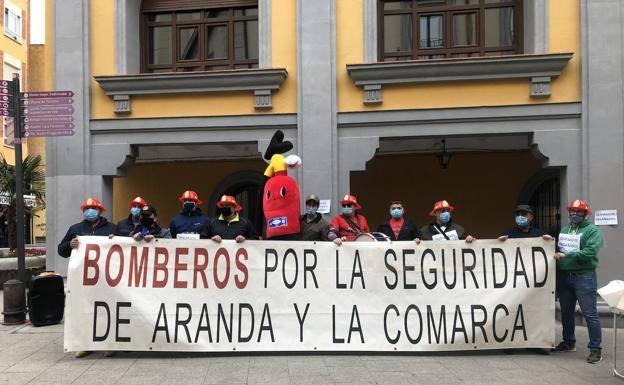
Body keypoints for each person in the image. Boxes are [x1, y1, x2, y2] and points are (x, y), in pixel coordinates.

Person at [57, 198, 117, 359]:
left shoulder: (112, 228)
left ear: (100, 211)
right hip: (83, 279)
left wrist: (115, 240)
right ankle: (84, 344)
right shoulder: (75, 229)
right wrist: (69, 244)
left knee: (106, 310)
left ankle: (109, 344)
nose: (90, 211)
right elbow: (61, 251)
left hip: (106, 279)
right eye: (87, 208)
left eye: (93, 208)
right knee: (84, 311)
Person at [552, 199, 604, 364]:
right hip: (564, 276)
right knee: (566, 312)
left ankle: (595, 349)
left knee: (590, 314)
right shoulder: (565, 229)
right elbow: (559, 248)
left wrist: (568, 256)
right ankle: (569, 342)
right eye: (572, 211)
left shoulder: (592, 231)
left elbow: (590, 252)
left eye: (578, 212)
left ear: (585, 214)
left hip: (584, 277)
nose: (574, 214)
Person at [498, 204, 553, 355]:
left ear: (531, 217)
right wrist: (498, 243)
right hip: (514, 282)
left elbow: (554, 252)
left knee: (533, 311)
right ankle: (510, 343)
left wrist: (548, 242)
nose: (520, 217)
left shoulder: (540, 234)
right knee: (512, 310)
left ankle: (534, 343)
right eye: (518, 214)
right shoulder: (508, 234)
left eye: (524, 214)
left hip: (533, 282)